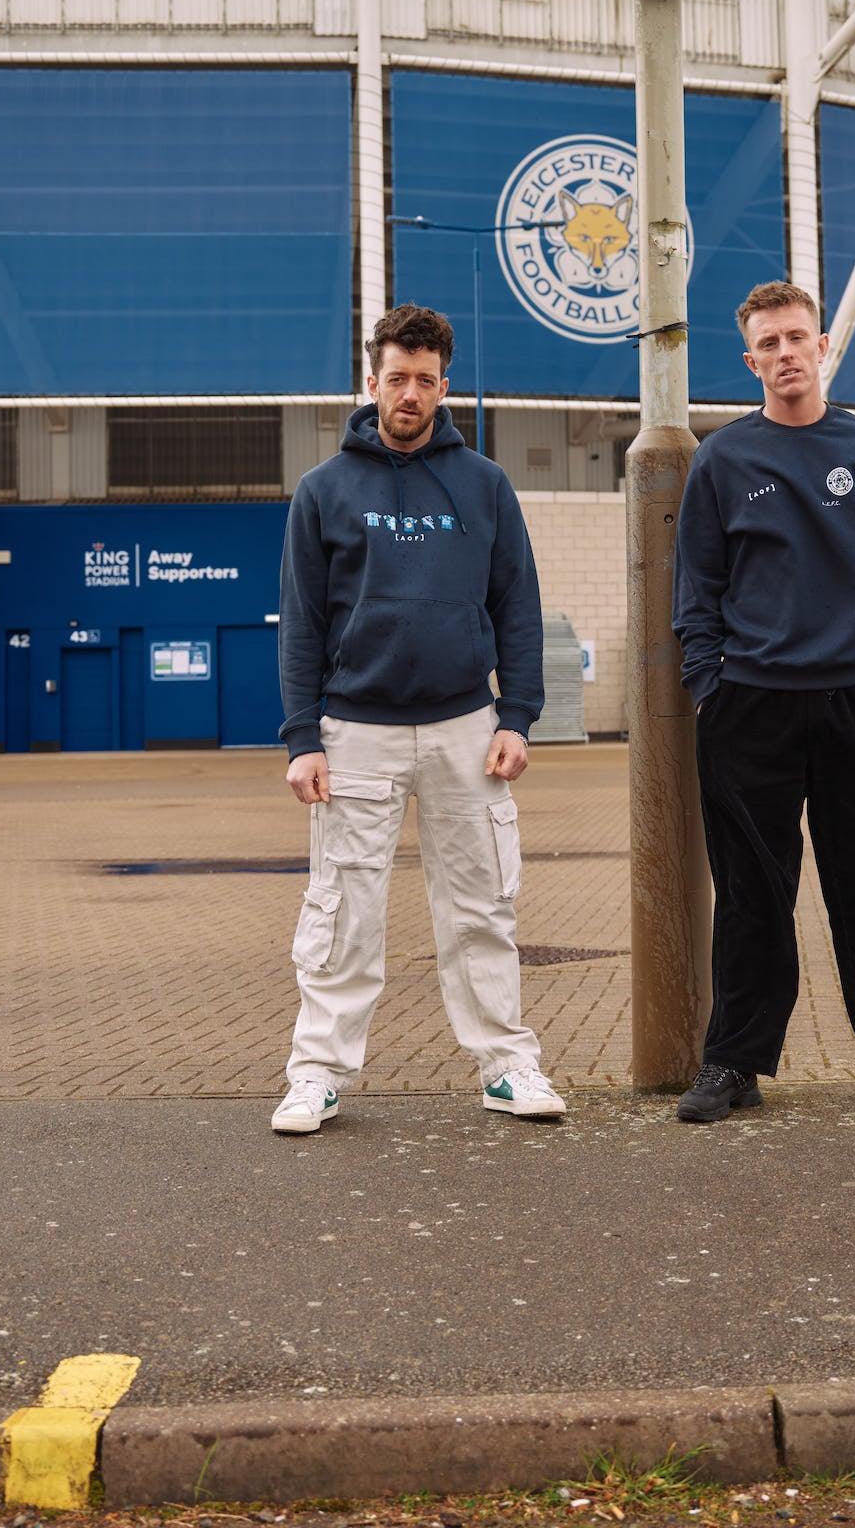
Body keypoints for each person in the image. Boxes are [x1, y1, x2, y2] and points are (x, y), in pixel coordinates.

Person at [271, 303, 565, 1132]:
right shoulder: (324, 491)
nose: (410, 393)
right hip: (355, 731)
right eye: (396, 378)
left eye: (425, 381)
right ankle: (317, 1074)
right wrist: (303, 737)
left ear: (445, 385)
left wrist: (518, 716)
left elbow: (519, 606)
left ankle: (509, 1065)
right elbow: (302, 623)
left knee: (481, 905)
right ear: (373, 381)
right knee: (344, 907)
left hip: (466, 728)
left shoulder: (483, 484)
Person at [670, 280, 855, 1124]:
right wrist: (709, 686)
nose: (786, 353)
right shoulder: (723, 460)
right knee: (752, 894)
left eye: (799, 337)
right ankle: (734, 1064)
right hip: (749, 707)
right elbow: (699, 588)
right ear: (750, 359)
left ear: (822, 346)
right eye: (770, 342)